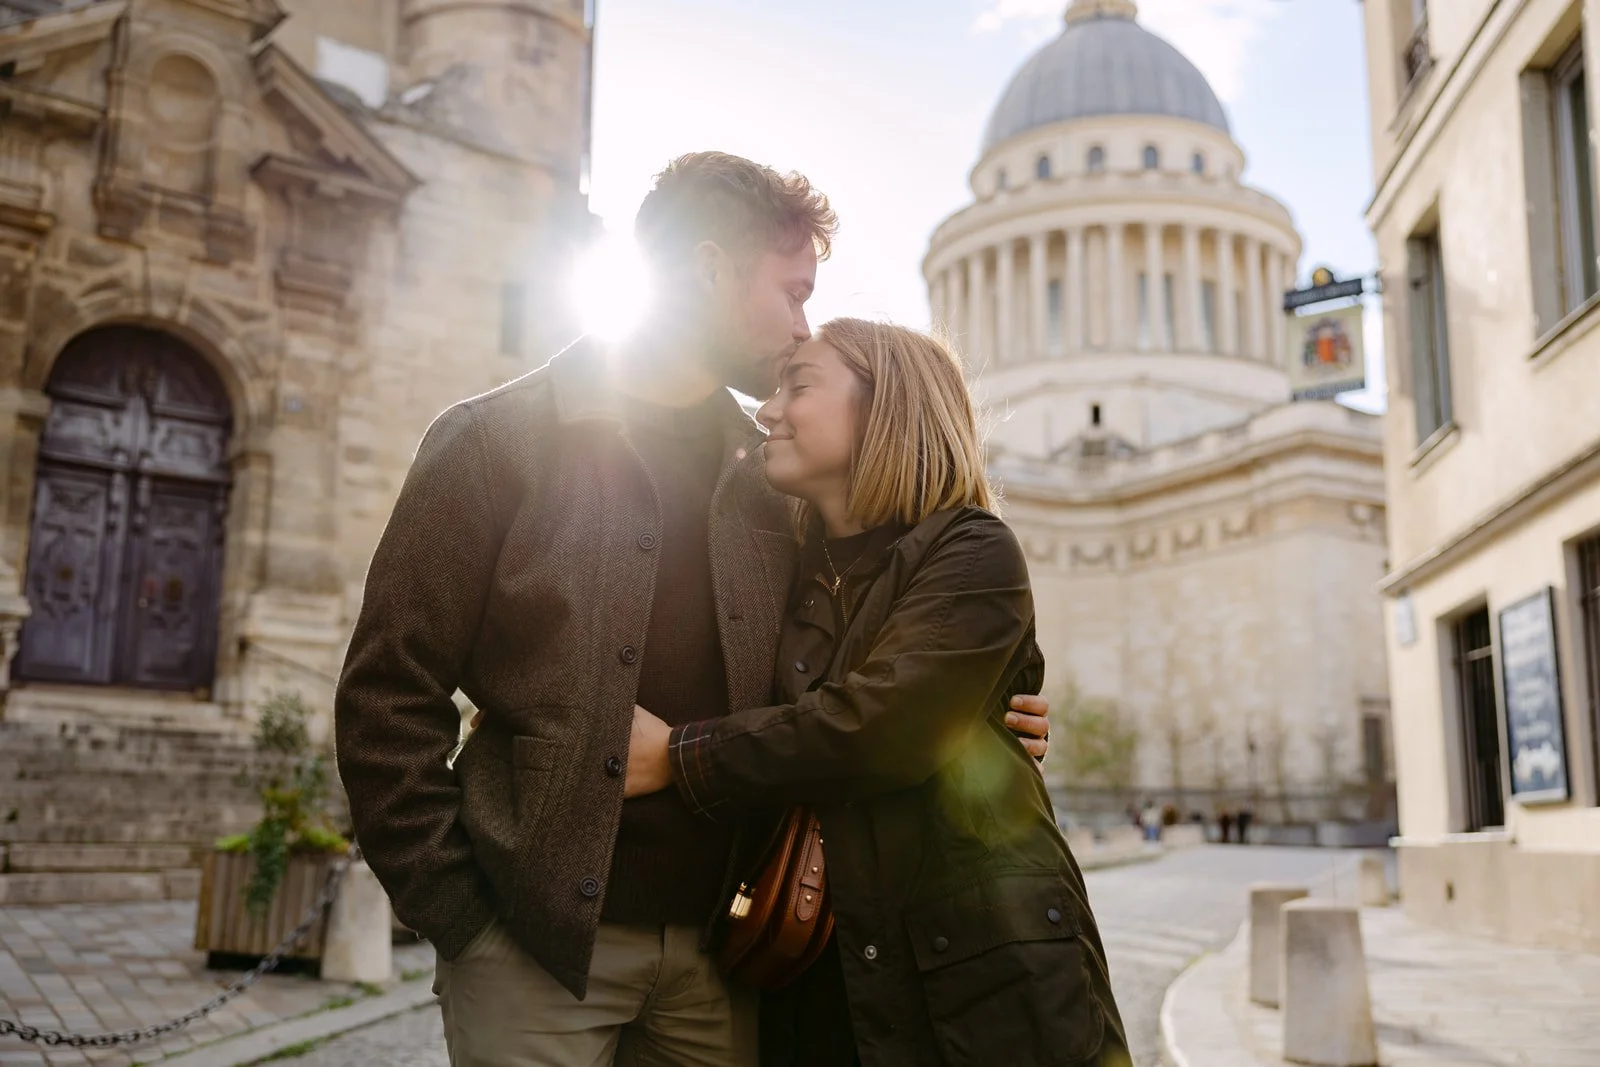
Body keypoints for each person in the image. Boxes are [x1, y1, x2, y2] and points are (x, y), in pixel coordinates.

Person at [333, 152, 1053, 1067]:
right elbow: (386, 695)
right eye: (793, 292)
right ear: (710, 270)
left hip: (730, 958)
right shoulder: (490, 442)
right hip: (532, 959)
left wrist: (992, 713)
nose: (801, 328)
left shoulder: (780, 485)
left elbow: (876, 657)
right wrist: (465, 919)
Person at [624, 319, 1131, 1067]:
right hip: (825, 982)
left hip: (984, 996)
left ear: (886, 405)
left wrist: (679, 755)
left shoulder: (972, 545)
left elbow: (880, 726)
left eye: (798, 385)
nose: (768, 411)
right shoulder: (789, 572)